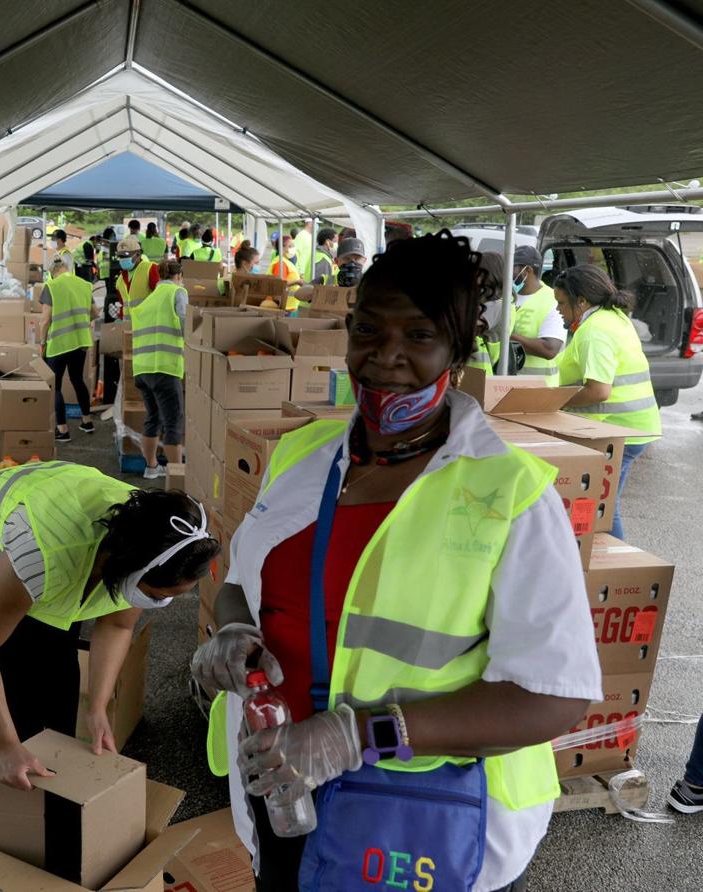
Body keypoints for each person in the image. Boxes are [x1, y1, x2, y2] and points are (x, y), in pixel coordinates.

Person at [192, 230, 602, 892]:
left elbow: (551, 696)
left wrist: (355, 736)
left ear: (458, 350)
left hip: (422, 818)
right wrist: (235, 628)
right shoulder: (304, 457)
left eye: (418, 336)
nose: (386, 356)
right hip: (280, 785)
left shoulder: (510, 495)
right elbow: (245, 579)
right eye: (370, 331)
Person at [0, 473, 218, 788]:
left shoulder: (155, 539)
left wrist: (98, 706)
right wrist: (7, 745)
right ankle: (22, 778)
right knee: (18, 661)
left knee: (58, 659)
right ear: (129, 568)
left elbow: (117, 624)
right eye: (157, 596)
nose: (162, 603)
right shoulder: (40, 559)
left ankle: (53, 770)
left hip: (53, 531)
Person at [553, 264, 660, 539]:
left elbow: (599, 391)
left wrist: (555, 401)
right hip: (628, 427)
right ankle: (594, 558)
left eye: (562, 304)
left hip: (619, 431)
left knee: (602, 507)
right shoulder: (613, 317)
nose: (558, 310)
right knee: (595, 504)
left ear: (582, 301)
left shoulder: (595, 331)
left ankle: (609, 570)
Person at [130, 258, 187, 480]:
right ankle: (178, 475)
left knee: (152, 418)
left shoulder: (148, 300)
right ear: (178, 276)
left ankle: (151, 467)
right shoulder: (177, 293)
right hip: (165, 367)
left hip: (142, 369)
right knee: (173, 421)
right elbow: (185, 323)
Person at [38, 257, 97, 442]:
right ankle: (87, 421)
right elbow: (95, 312)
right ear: (66, 268)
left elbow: (45, 320)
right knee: (77, 379)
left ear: (52, 271)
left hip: (59, 344)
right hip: (80, 341)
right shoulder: (85, 285)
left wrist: (42, 342)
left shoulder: (51, 286)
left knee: (55, 385)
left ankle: (62, 430)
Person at [510, 245, 564, 385]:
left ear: (527, 271)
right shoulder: (505, 297)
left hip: (540, 391)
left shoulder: (552, 300)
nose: (508, 273)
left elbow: (550, 349)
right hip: (505, 387)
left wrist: (506, 336)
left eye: (512, 268)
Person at [114, 235, 160, 315]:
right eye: (120, 256)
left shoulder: (150, 269)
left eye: (126, 255)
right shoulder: (120, 280)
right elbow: (124, 305)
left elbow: (161, 297)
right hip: (129, 325)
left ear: (138, 254)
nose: (122, 259)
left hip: (148, 323)